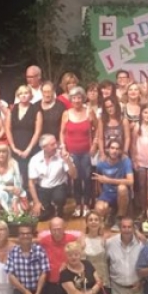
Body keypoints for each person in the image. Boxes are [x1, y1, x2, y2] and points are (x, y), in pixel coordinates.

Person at [60, 86, 95, 216]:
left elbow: (97, 129)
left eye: (79, 97)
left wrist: (95, 145)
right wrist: (63, 147)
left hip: (86, 152)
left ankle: (86, 204)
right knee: (75, 179)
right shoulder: (66, 113)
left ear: (83, 98)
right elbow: (62, 132)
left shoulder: (89, 112)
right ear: (71, 99)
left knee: (87, 178)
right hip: (72, 152)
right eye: (74, 98)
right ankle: (78, 204)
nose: (76, 100)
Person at [6, 85, 42, 186]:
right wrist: (13, 147)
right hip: (15, 146)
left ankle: (30, 194)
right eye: (21, 94)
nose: (23, 95)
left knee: (29, 174)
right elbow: (7, 129)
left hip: (31, 147)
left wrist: (29, 149)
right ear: (17, 96)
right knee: (15, 174)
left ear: (30, 95)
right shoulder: (11, 109)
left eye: (26, 93)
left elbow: (38, 131)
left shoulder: (36, 110)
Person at [93, 139, 134, 224]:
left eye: (117, 149)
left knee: (122, 188)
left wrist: (109, 180)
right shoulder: (101, 163)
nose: (114, 151)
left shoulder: (125, 161)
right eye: (112, 148)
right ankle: (111, 212)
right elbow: (98, 180)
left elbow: (130, 181)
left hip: (121, 193)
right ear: (108, 149)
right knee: (99, 209)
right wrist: (100, 195)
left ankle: (120, 217)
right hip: (107, 193)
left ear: (120, 151)